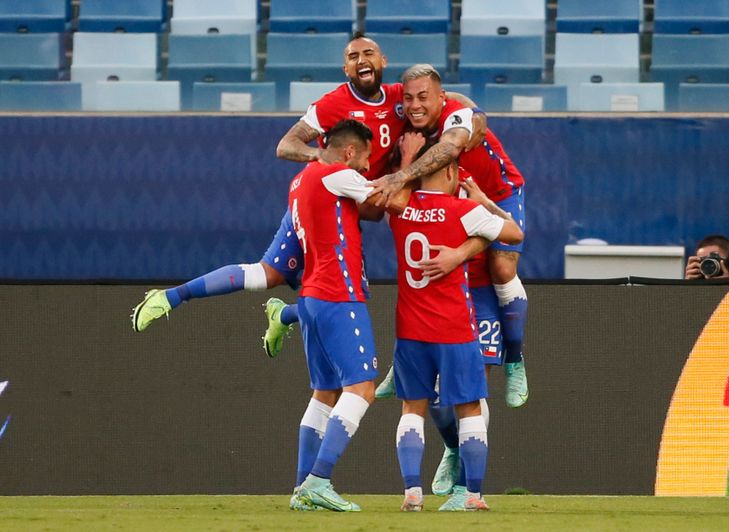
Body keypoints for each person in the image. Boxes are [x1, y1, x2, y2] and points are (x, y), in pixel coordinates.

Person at [131, 34, 487, 355]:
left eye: (368, 53)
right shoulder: (332, 104)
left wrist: (475, 111)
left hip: (344, 199)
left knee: (264, 275)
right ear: (345, 67)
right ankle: (202, 303)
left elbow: (448, 96)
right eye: (353, 56)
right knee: (349, 293)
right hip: (333, 202)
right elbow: (286, 145)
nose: (361, 59)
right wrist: (322, 158)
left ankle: (241, 308)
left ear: (383, 62)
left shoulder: (398, 97)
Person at [370, 64, 530, 408]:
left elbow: (452, 146)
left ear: (441, 98)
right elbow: (394, 206)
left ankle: (515, 358)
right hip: (448, 197)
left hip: (495, 194)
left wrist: (401, 177)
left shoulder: (457, 115)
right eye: (409, 98)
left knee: (502, 269)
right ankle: (403, 364)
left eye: (424, 97)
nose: (415, 105)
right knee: (421, 263)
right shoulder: (404, 124)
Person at [388, 143, 524, 511]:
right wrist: (482, 200)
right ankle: (474, 495)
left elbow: (396, 192)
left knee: (412, 409)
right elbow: (514, 234)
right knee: (469, 410)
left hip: (410, 330)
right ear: (450, 173)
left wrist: (406, 162)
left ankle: (412, 492)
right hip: (455, 329)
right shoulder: (465, 210)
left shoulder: (399, 209)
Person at [287, 119, 387, 512]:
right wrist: (411, 160)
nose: (365, 167)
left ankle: (301, 489)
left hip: (311, 295)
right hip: (338, 295)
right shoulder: (337, 174)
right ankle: (318, 480)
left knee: (324, 394)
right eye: (365, 157)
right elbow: (386, 197)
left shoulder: (299, 181)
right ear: (349, 152)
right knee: (362, 389)